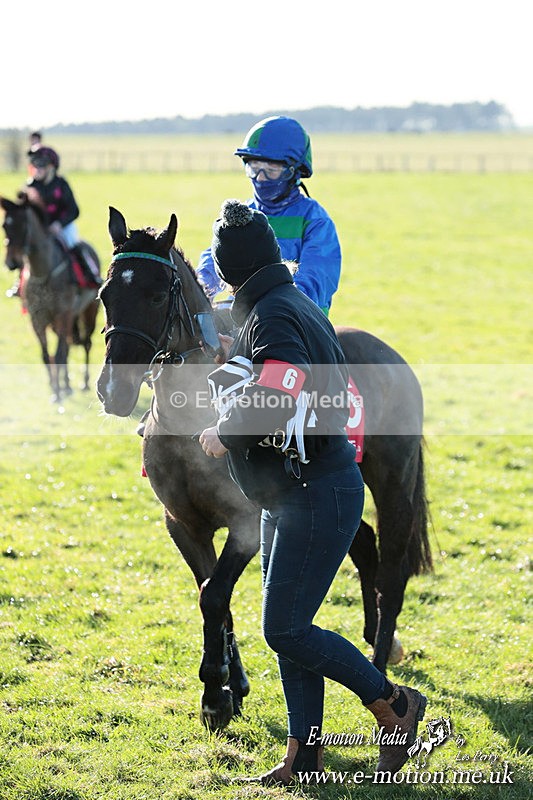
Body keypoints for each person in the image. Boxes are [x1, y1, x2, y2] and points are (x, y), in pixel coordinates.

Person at [198, 199, 427, 786]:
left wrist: (224, 434)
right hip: (291, 492)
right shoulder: (285, 303)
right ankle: (306, 760)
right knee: (291, 626)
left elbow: (281, 393)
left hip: (314, 493)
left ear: (229, 270)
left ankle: (394, 707)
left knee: (285, 629)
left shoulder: (274, 314)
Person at [196, 116, 341, 316]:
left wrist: (268, 309)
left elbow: (314, 280)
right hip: (244, 319)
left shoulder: (315, 221)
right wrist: (201, 288)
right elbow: (214, 260)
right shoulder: (242, 215)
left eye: (271, 170)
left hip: (297, 323)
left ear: (295, 171)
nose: (261, 178)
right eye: (254, 168)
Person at [23, 145, 100, 288]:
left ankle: (91, 274)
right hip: (40, 229)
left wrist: (59, 224)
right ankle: (19, 284)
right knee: (26, 248)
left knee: (73, 244)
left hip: (63, 226)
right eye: (34, 164)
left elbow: (74, 210)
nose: (36, 168)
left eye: (41, 165)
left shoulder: (61, 184)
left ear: (51, 167)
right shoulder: (30, 186)